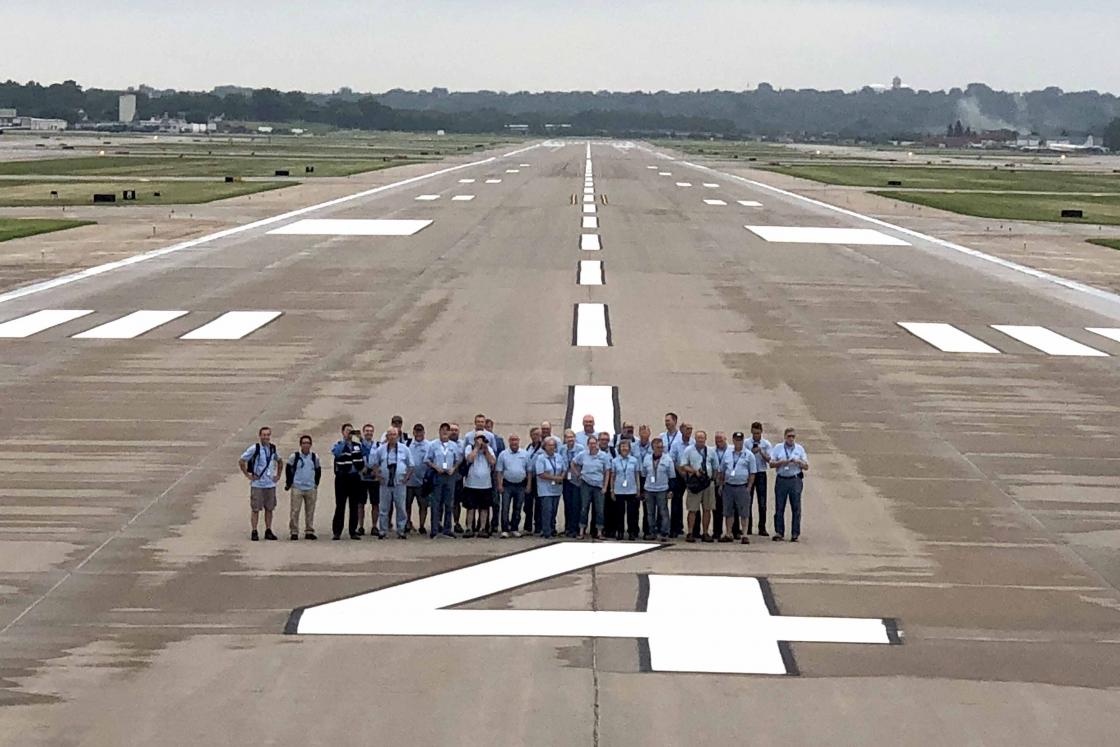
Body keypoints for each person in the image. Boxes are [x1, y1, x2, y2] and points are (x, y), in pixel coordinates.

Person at [238, 426, 282, 541]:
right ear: (260, 436)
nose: (266, 437)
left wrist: (278, 475)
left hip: (270, 484)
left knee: (269, 508)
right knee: (255, 509)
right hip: (258, 484)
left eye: (268, 435)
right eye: (264, 435)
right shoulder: (255, 448)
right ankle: (254, 530)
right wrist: (248, 475)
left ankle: (268, 530)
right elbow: (242, 460)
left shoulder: (272, 448)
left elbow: (280, 461)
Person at [372, 427, 413, 539]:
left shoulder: (404, 449)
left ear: (398, 436)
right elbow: (374, 464)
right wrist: (378, 476)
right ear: (387, 437)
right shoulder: (381, 449)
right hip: (385, 483)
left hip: (399, 483)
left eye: (394, 435)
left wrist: (406, 478)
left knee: (400, 507)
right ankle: (383, 530)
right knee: (384, 508)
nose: (392, 437)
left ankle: (401, 530)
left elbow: (411, 465)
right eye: (390, 435)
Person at [678, 429, 719, 543]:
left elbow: (716, 467)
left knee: (707, 509)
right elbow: (683, 465)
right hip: (695, 484)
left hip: (708, 484)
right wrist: (694, 471)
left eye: (702, 438)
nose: (700, 440)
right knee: (692, 509)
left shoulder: (711, 451)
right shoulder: (689, 450)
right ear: (695, 439)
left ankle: (705, 533)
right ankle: (690, 532)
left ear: (705, 439)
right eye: (698, 438)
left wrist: (713, 480)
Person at [770, 427, 809, 542]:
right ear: (785, 437)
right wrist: (781, 462)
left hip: (795, 479)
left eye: (793, 436)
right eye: (789, 436)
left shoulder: (799, 449)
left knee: (796, 507)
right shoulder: (778, 448)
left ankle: (795, 533)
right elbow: (771, 463)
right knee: (779, 506)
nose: (791, 439)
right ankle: (779, 531)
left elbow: (806, 466)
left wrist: (798, 462)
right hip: (782, 479)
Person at [659, 413, 693, 538]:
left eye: (669, 421)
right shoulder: (662, 436)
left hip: (685, 472)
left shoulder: (682, 438)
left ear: (675, 421)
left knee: (686, 501)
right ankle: (670, 527)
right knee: (670, 500)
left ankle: (682, 527)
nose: (667, 423)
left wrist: (685, 472)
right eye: (665, 421)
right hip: (671, 471)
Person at [330, 423, 366, 540]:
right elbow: (336, 453)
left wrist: (361, 438)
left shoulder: (357, 445)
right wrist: (345, 440)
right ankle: (337, 531)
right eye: (347, 431)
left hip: (354, 477)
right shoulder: (339, 445)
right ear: (343, 432)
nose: (350, 433)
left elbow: (367, 451)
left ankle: (353, 530)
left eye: (351, 431)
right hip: (342, 477)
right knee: (340, 505)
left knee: (354, 505)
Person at [572, 435, 612, 539]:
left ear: (597, 443)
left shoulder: (604, 456)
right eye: (590, 443)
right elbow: (573, 463)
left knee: (600, 510)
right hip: (585, 484)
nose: (592, 445)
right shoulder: (583, 454)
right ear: (587, 444)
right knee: (584, 508)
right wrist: (578, 474)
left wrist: (605, 487)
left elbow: (607, 472)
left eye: (594, 443)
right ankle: (581, 531)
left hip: (599, 485)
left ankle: (599, 532)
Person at [426, 423, 461, 538]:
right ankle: (435, 529)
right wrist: (436, 467)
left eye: (447, 430)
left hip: (450, 476)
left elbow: (458, 460)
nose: (445, 432)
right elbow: (427, 460)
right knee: (436, 504)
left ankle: (447, 529)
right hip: (438, 475)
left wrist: (453, 469)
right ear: (439, 431)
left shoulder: (454, 446)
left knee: (449, 503)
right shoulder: (433, 445)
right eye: (443, 430)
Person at [284, 434, 321, 540]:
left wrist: (316, 483)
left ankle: (309, 530)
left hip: (310, 487)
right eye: (304, 443)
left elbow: (318, 470)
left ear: (311, 445)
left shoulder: (314, 457)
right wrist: (289, 483)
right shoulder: (294, 457)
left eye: (308, 443)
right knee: (295, 510)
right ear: (300, 444)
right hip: (297, 487)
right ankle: (294, 531)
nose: (306, 445)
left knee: (310, 510)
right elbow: (288, 469)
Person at [720, 432, 753, 545]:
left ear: (743, 441)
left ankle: (744, 534)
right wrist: (721, 484)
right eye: (736, 440)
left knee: (744, 511)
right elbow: (722, 470)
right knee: (728, 511)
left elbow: (752, 473)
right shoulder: (727, 454)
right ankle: (728, 533)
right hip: (729, 486)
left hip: (742, 486)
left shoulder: (748, 455)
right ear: (733, 440)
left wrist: (749, 487)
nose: (738, 442)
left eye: (740, 440)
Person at [496, 433, 531, 538]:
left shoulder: (525, 454)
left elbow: (529, 471)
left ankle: (514, 528)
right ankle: (505, 529)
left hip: (521, 485)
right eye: (512, 440)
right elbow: (499, 471)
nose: (514, 442)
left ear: (519, 441)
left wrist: (529, 485)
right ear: (509, 441)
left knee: (518, 507)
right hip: (507, 485)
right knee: (505, 508)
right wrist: (499, 485)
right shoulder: (503, 454)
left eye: (516, 440)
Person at [463, 433, 496, 537]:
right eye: (479, 439)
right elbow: (469, 459)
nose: (481, 441)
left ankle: (482, 528)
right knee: (470, 508)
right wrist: (476, 448)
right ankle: (469, 528)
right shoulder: (470, 447)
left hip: (485, 484)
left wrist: (485, 450)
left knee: (484, 508)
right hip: (471, 483)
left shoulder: (488, 449)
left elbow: (493, 461)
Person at [609, 439, 642, 540]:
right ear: (619, 449)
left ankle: (631, 532)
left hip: (631, 490)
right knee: (619, 513)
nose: (624, 448)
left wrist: (638, 488)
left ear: (629, 448)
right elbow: (613, 476)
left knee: (632, 513)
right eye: (622, 446)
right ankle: (620, 532)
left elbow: (636, 475)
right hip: (619, 491)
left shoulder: (634, 460)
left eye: (626, 446)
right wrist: (612, 490)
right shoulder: (614, 461)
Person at [642, 437, 674, 540]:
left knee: (663, 512)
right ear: (653, 448)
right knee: (650, 513)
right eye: (658, 447)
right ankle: (652, 532)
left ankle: (664, 533)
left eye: (661, 447)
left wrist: (671, 490)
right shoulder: (646, 458)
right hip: (649, 490)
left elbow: (672, 476)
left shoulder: (668, 459)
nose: (660, 449)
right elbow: (643, 474)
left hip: (662, 490)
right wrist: (642, 490)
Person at [534, 437, 566, 539]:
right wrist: (555, 478)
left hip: (556, 489)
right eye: (549, 445)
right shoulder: (541, 458)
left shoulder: (559, 457)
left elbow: (564, 469)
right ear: (545, 447)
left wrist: (562, 476)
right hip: (545, 489)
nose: (551, 447)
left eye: (553, 445)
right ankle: (546, 531)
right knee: (547, 510)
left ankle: (552, 529)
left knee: (554, 511)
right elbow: (540, 473)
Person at [747, 421, 772, 537]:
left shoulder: (766, 444)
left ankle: (762, 527)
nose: (756, 435)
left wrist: (761, 451)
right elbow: (744, 456)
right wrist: (752, 452)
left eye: (758, 433)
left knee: (762, 502)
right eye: (754, 433)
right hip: (750, 473)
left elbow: (769, 460)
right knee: (748, 501)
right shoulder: (747, 443)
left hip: (761, 473)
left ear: (761, 432)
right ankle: (748, 526)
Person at [406, 423, 431, 535]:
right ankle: (407, 523)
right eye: (417, 431)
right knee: (407, 504)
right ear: (414, 432)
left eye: (420, 431)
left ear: (424, 432)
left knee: (423, 505)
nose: (419, 433)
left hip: (422, 482)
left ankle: (422, 525)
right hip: (409, 481)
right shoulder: (408, 444)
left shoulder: (429, 445)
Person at [356, 423, 378, 536]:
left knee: (375, 503)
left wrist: (376, 470)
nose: (368, 433)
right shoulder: (358, 446)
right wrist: (360, 469)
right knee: (360, 503)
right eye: (367, 431)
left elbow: (381, 459)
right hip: (362, 478)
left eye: (370, 431)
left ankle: (374, 526)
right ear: (364, 432)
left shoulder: (377, 445)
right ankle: (361, 526)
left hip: (374, 479)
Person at [560, 430, 583, 538]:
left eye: (571, 437)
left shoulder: (580, 449)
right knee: (567, 504)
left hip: (577, 480)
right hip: (566, 480)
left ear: (575, 438)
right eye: (567, 437)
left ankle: (575, 529)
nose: (569, 439)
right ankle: (568, 528)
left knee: (576, 505)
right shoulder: (562, 449)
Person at [523, 427, 545, 535]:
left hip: (539, 478)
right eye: (534, 434)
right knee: (528, 503)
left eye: (538, 434)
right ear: (531, 435)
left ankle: (538, 526)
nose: (537, 437)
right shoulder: (528, 447)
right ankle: (527, 526)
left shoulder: (543, 448)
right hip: (528, 478)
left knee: (538, 504)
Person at [712, 431, 731, 539]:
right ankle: (717, 531)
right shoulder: (711, 451)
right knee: (717, 508)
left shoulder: (731, 450)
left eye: (721, 440)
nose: (718, 442)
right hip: (716, 482)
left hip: (728, 482)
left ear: (725, 439)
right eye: (717, 440)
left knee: (731, 508)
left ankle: (734, 530)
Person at [449, 422, 465, 532]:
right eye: (452, 430)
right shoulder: (442, 443)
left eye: (456, 430)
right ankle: (442, 522)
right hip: (444, 476)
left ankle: (456, 522)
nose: (454, 432)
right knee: (443, 501)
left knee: (456, 502)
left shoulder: (463, 444)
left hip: (458, 477)